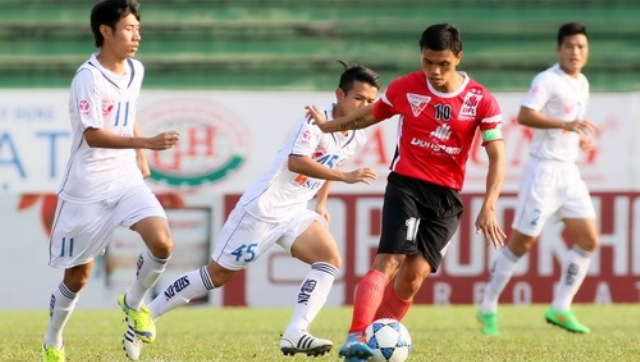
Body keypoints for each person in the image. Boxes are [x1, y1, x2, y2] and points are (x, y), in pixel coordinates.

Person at [120, 62, 381, 361]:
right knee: (216, 275)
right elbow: (297, 162)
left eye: (371, 102)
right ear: (340, 95)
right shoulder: (313, 120)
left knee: (329, 260)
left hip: (295, 211)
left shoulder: (357, 132)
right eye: (359, 99)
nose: (365, 106)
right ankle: (145, 315)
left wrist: (320, 202)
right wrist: (346, 178)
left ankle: (296, 331)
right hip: (262, 210)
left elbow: (331, 163)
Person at [305, 23, 506, 361]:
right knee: (390, 261)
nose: (435, 71)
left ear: (458, 57)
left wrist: (489, 205)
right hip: (406, 185)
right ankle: (356, 338)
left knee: (413, 278)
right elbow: (367, 116)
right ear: (421, 57)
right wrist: (329, 126)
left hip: (446, 199)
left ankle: (374, 339)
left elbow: (497, 155)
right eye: (428, 62)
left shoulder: (480, 100)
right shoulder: (406, 88)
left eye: (443, 63)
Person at [40, 1, 181, 361]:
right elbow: (94, 136)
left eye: (137, 28)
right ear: (106, 31)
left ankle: (134, 303)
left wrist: (141, 155)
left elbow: (127, 112)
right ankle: (53, 338)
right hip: (86, 189)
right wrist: (146, 142)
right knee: (77, 279)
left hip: (125, 180)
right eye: (129, 29)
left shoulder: (135, 70)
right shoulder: (87, 78)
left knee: (162, 243)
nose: (137, 36)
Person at [477, 22, 598, 335]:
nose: (575, 52)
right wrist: (567, 124)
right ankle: (487, 307)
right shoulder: (546, 79)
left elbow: (571, 126)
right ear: (559, 49)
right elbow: (525, 115)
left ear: (587, 52)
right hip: (543, 171)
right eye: (570, 46)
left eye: (581, 46)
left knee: (588, 240)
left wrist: (579, 138)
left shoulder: (582, 82)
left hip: (569, 171)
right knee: (522, 243)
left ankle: (560, 307)